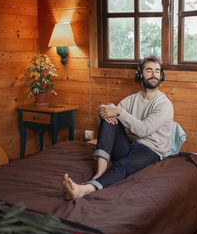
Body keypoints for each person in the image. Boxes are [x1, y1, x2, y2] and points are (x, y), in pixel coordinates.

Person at [62, 54, 174, 200]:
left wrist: (118, 112)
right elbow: (103, 117)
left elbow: (143, 130)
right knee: (108, 117)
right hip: (129, 145)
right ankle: (100, 173)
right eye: (149, 70)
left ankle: (85, 189)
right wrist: (105, 111)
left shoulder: (164, 104)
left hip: (150, 150)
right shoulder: (131, 99)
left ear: (161, 75)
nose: (154, 74)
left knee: (122, 165)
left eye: (157, 71)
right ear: (140, 74)